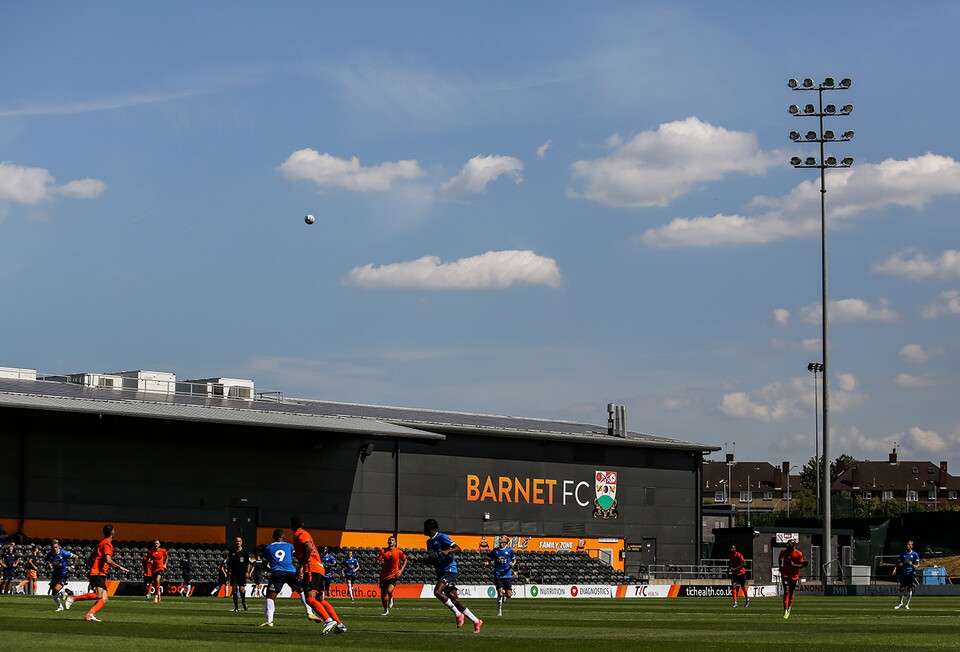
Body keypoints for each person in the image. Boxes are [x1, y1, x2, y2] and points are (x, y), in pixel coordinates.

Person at [414, 519, 482, 634]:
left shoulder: (442, 537)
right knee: (454, 599)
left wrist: (447, 551)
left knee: (437, 592)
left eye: (425, 527)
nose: (424, 529)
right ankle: (476, 621)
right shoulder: (429, 542)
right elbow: (432, 560)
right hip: (441, 572)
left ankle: (457, 614)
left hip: (449, 570)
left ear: (430, 527)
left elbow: (458, 548)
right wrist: (418, 560)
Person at [291, 517, 346, 634]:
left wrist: (301, 565)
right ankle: (340, 624)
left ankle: (328, 620)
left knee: (310, 599)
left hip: (311, 568)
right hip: (319, 568)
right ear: (302, 523)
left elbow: (308, 547)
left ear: (291, 525)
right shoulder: (306, 533)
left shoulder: (300, 534)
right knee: (319, 600)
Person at [65, 524, 131, 622]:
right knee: (98, 596)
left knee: (104, 599)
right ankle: (72, 599)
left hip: (98, 572)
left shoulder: (99, 544)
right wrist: (119, 567)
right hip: (98, 573)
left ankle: (89, 615)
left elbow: (90, 559)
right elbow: (108, 559)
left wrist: (92, 568)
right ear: (113, 532)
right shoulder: (106, 544)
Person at [261, 528, 317, 627]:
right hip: (291, 572)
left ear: (273, 537)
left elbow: (264, 565)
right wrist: (301, 567)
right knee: (302, 591)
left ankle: (269, 621)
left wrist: (271, 570)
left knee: (270, 597)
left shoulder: (268, 548)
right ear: (283, 537)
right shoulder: (290, 546)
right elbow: (299, 555)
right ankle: (310, 613)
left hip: (277, 573)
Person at [485, 534, 516, 616]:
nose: (500, 538)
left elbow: (514, 559)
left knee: (509, 595)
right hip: (498, 574)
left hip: (507, 575)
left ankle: (504, 598)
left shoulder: (509, 551)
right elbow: (490, 559)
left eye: (502, 537)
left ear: (505, 541)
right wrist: (487, 563)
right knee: (500, 593)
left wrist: (513, 564)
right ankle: (499, 611)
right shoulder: (495, 551)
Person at [377, 535, 407, 615]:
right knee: (383, 593)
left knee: (389, 590)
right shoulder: (383, 551)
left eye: (392, 540)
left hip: (393, 575)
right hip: (383, 575)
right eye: (389, 540)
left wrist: (400, 570)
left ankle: (391, 597)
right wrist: (380, 562)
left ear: (395, 542)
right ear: (387, 542)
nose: (391, 541)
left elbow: (405, 560)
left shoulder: (398, 552)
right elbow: (378, 561)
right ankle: (385, 610)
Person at [777, 538, 806, 619]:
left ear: (793, 545)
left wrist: (795, 566)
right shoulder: (783, 552)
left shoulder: (798, 554)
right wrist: (780, 566)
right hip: (785, 574)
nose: (786, 545)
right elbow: (780, 558)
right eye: (786, 543)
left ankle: (789, 607)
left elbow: (802, 565)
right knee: (786, 591)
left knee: (791, 592)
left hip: (794, 575)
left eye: (788, 544)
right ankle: (785, 611)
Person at [46, 540, 75, 611]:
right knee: (53, 593)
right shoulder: (49, 554)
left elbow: (76, 557)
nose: (55, 549)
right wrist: (48, 565)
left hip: (64, 574)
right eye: (53, 548)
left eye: (56, 547)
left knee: (56, 589)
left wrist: (72, 566)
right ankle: (60, 606)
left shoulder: (63, 553)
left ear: (58, 546)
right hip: (55, 573)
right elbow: (48, 563)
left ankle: (63, 591)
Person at [894, 539, 920, 610]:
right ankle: (900, 602)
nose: (908, 546)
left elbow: (918, 564)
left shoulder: (915, 554)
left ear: (912, 546)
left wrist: (916, 566)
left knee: (909, 589)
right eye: (907, 544)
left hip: (911, 573)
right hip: (904, 573)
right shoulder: (903, 554)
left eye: (909, 544)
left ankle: (907, 604)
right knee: (901, 589)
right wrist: (895, 569)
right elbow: (898, 562)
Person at [226, 536, 251, 612]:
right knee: (234, 589)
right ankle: (236, 607)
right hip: (234, 573)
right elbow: (229, 563)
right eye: (237, 541)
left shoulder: (245, 552)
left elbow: (248, 563)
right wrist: (227, 572)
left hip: (242, 573)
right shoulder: (232, 552)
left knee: (241, 589)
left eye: (239, 541)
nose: (238, 543)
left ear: (241, 542)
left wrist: (247, 572)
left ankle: (243, 601)